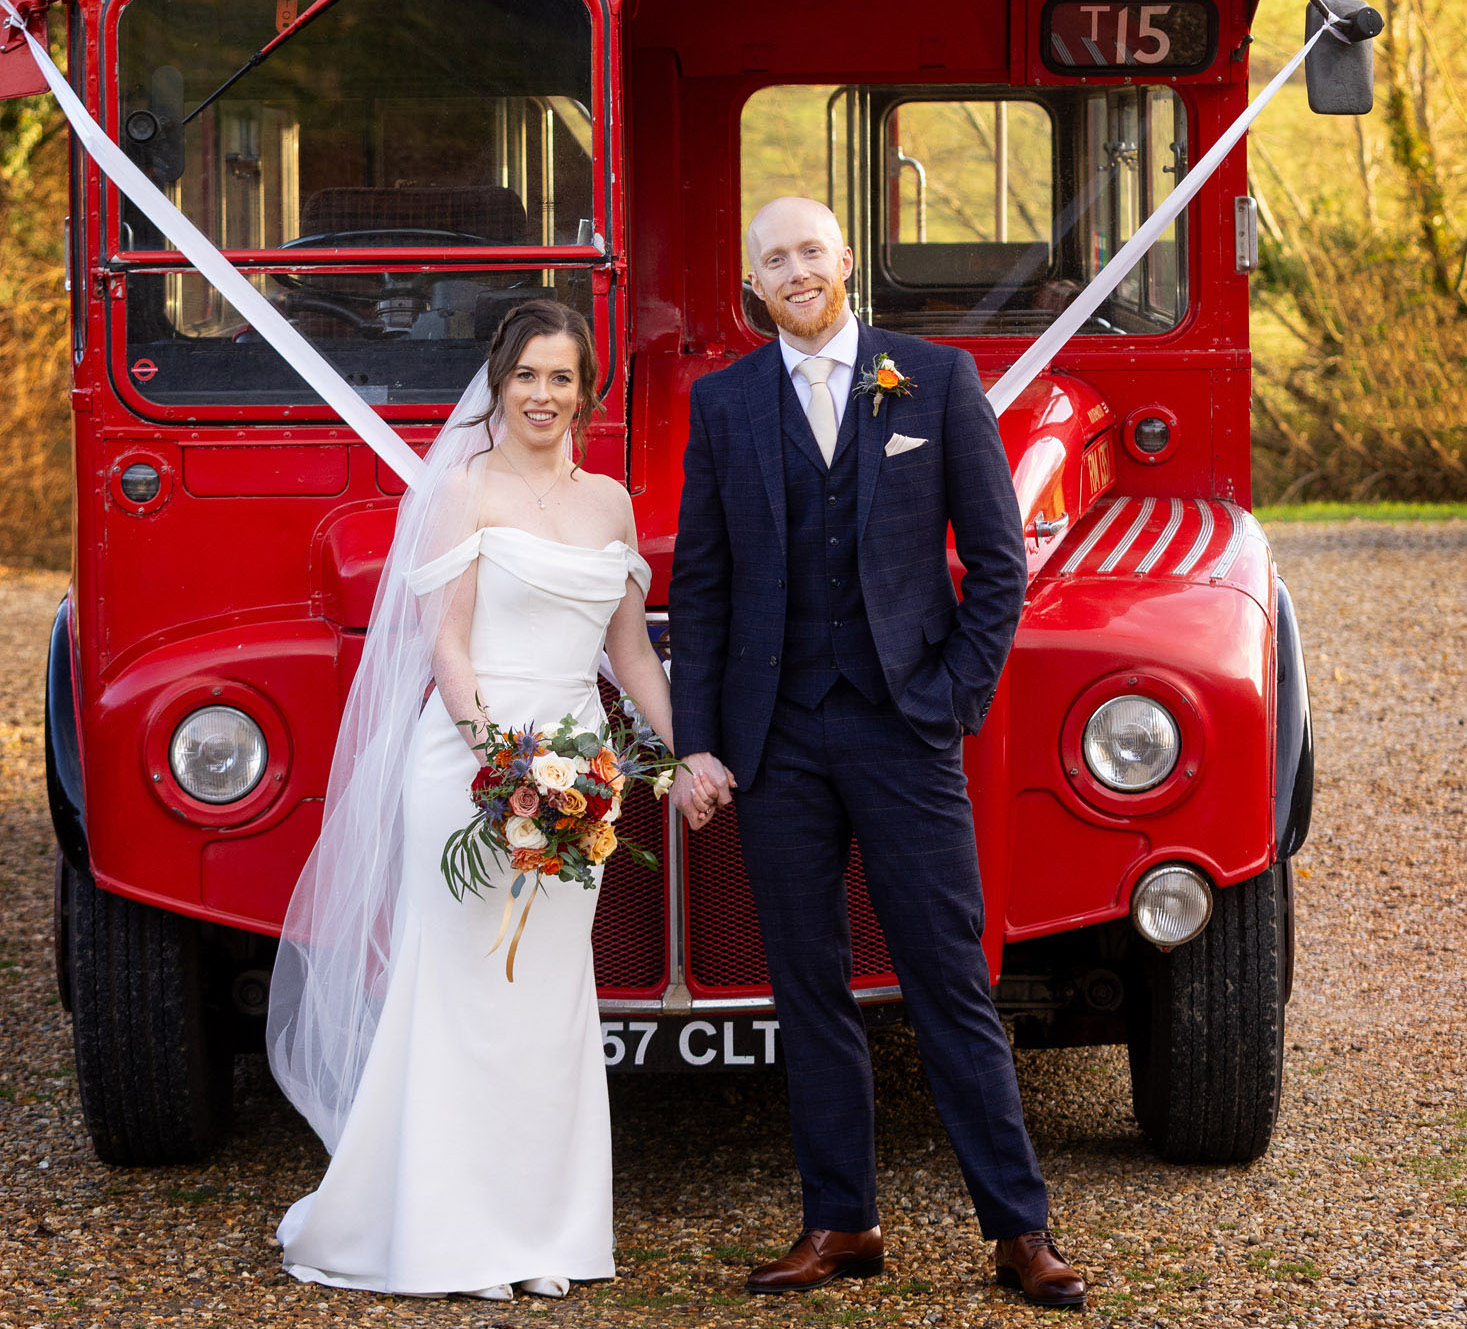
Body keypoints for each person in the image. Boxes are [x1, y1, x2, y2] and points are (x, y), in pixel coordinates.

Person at [668, 197, 1084, 1312]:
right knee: (807, 986)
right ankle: (841, 1221)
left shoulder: (935, 379)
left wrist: (951, 699)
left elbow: (998, 567)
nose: (796, 271)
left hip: (905, 725)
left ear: (846, 258)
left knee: (948, 978)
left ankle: (1020, 1228)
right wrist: (701, 737)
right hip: (777, 738)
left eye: (811, 250)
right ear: (753, 283)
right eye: (774, 259)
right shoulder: (724, 403)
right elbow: (701, 588)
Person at [268, 297, 705, 1299]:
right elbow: (448, 647)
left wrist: (684, 756)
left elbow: (630, 649)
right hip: (472, 764)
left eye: (563, 377)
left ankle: (541, 1234)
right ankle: (448, 1234)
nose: (545, 394)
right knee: (464, 991)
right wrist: (497, 768)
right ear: (499, 385)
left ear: (585, 390)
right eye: (528, 376)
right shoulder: (462, 489)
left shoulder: (610, 504)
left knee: (547, 1001)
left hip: (582, 774)